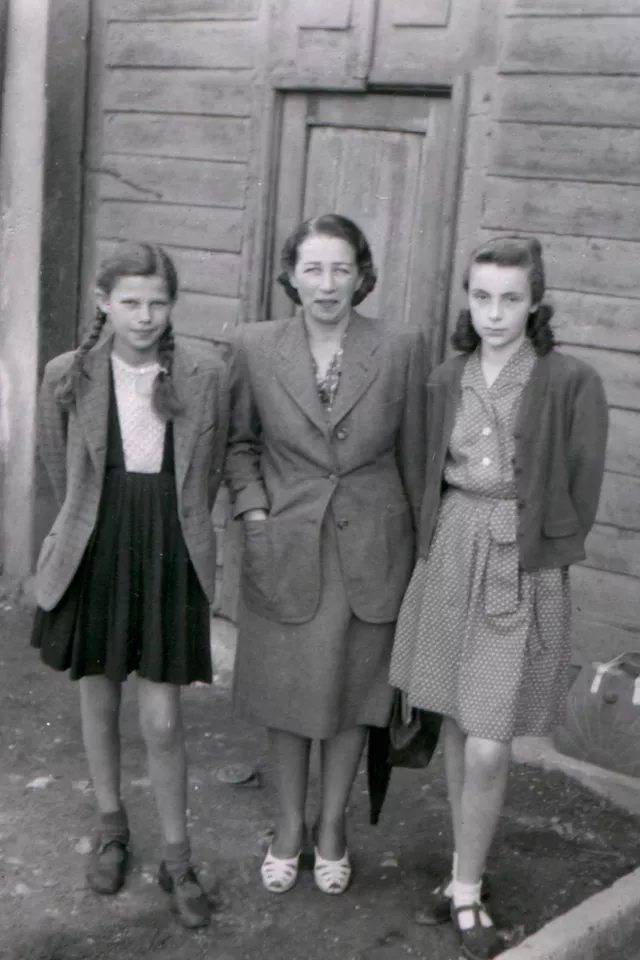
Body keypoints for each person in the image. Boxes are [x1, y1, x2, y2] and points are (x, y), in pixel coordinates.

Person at [390, 235, 608, 959]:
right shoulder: (445, 377)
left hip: (522, 559)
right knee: (456, 720)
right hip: (453, 547)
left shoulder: (567, 379)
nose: (494, 311)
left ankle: (466, 884)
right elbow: (427, 467)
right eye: (481, 296)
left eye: (511, 298)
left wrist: (536, 548)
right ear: (467, 299)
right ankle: (464, 882)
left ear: (536, 302)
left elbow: (580, 483)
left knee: (488, 743)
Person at [226, 213, 426, 895]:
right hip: (286, 542)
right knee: (288, 695)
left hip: (372, 547)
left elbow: (417, 455)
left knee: (351, 695)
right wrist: (255, 511)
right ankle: (288, 826)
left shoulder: (400, 346)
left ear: (363, 273)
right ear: (291, 275)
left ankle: (333, 825)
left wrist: (423, 560)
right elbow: (238, 444)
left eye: (342, 267)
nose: (328, 283)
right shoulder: (254, 346)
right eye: (313, 268)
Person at [31, 243, 229, 929]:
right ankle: (113, 824)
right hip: (97, 543)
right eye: (130, 302)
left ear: (172, 305)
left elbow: (204, 476)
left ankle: (178, 857)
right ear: (102, 302)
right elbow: (61, 471)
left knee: (164, 717)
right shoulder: (69, 374)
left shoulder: (205, 373)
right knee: (98, 695)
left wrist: (182, 533)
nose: (144, 316)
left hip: (170, 550)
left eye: (158, 303)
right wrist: (91, 528)